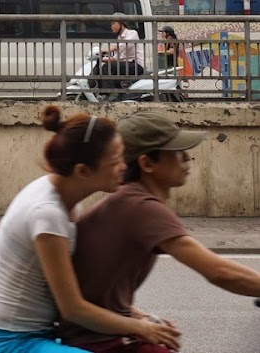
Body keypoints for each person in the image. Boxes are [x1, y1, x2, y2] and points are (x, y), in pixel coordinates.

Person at [0, 106, 179, 353]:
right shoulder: (46, 213)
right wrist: (141, 328)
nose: (124, 167)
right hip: (9, 341)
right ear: (82, 171)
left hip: (46, 334)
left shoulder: (67, 202)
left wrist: (141, 318)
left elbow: (79, 286)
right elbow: (73, 308)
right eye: (115, 162)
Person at [61, 112, 260, 351]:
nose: (187, 158)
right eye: (176, 152)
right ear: (147, 164)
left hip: (99, 333)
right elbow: (219, 272)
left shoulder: (129, 199)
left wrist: (137, 316)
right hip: (96, 340)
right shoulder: (141, 208)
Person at [93, 14, 145, 90]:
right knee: (102, 68)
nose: (111, 26)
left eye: (113, 23)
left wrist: (107, 50)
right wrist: (100, 59)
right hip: (126, 65)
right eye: (111, 24)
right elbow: (116, 58)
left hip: (136, 65)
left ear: (121, 23)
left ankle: (110, 92)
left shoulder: (132, 33)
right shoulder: (119, 38)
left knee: (107, 67)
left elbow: (123, 45)